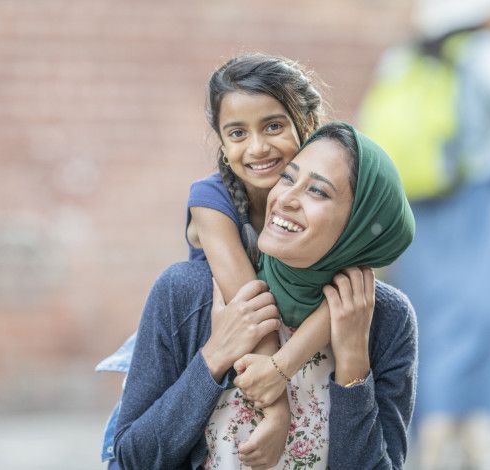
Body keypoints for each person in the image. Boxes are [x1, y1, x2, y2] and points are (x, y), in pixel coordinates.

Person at [114, 122, 418, 469]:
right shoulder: (186, 291)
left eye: (317, 192)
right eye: (288, 178)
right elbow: (133, 459)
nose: (286, 198)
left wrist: (352, 365)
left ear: (360, 225)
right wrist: (214, 356)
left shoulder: (386, 318)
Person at [98, 53, 338, 468]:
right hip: (197, 352)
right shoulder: (212, 199)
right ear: (223, 146)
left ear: (309, 127)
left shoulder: (330, 200)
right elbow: (249, 303)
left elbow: (349, 290)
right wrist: (277, 408)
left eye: (274, 126)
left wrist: (286, 366)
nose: (258, 147)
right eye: (238, 133)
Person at [359, 1, 490, 468]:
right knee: (482, 322)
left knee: (426, 322)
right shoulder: (483, 51)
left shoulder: (404, 57)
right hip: (474, 200)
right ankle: (474, 443)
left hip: (417, 208)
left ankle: (426, 440)